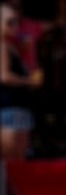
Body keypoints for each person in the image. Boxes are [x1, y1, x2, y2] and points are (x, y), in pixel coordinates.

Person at [0, 3, 43, 160]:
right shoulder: (3, 45)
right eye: (9, 22)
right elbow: (4, 76)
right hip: (9, 106)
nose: (15, 26)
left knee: (18, 159)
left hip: (17, 105)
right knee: (11, 160)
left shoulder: (10, 45)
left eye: (16, 21)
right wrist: (28, 82)